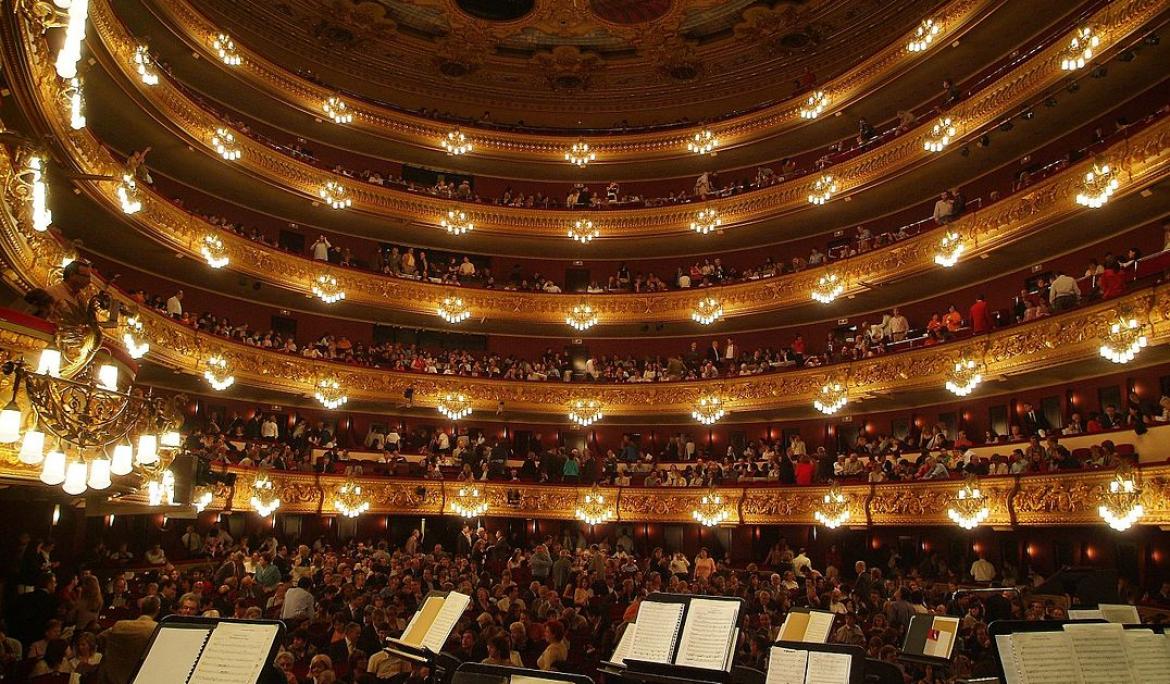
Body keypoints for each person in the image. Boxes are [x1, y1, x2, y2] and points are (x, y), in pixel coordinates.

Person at [96, 595, 160, 684]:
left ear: (141, 608)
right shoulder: (157, 630)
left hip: (114, 677)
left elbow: (98, 639)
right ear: (158, 609)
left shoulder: (119, 626)